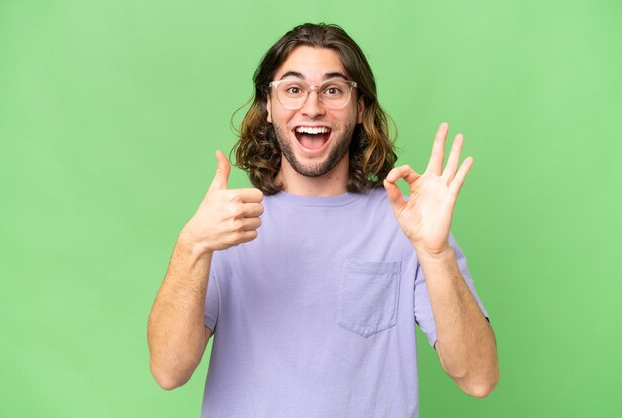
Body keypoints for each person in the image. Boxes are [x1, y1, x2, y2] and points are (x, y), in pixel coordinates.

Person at [147, 23, 499, 417]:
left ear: (359, 106)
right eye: (293, 89)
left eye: (333, 90)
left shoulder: (407, 223)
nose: (312, 107)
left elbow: (478, 378)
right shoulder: (229, 223)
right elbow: (168, 370)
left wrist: (436, 254)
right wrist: (191, 246)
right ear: (268, 104)